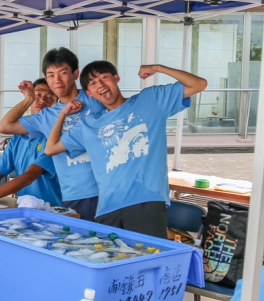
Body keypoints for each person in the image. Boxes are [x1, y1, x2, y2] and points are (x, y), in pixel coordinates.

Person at [44, 61, 206, 238]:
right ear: (89, 93)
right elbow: (50, 148)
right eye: (93, 83)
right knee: (108, 255)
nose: (101, 85)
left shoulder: (150, 100)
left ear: (116, 78)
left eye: (104, 77)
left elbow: (199, 84)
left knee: (147, 255)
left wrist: (159, 68)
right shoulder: (89, 125)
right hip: (106, 209)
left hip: (145, 202)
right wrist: (62, 113)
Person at [0, 48, 103, 221]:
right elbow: (4, 126)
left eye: (63, 73)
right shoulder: (45, 116)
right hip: (74, 195)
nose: (57, 80)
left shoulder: (96, 97)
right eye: (51, 75)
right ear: (47, 79)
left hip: (108, 189)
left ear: (75, 74)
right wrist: (28, 99)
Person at [0, 78, 62, 206]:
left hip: (51, 209)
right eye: (38, 95)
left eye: (50, 97)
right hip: (25, 209)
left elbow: (30, 176)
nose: (42, 100)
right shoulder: (17, 138)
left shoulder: (55, 136)